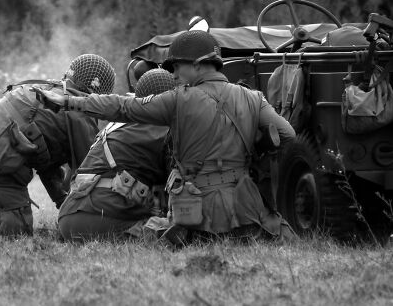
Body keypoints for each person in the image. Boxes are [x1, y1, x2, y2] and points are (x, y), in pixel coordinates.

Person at [34, 31, 296, 245]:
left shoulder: (178, 99)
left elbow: (123, 107)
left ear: (198, 64)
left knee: (180, 238)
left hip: (198, 212)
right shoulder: (254, 98)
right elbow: (286, 134)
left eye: (177, 66)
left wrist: (70, 102)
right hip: (247, 207)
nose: (173, 74)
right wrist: (254, 149)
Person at [0, 54, 115, 235]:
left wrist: (61, 201)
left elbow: (46, 163)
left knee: (7, 183)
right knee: (17, 234)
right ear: (100, 93)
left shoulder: (44, 88)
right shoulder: (81, 113)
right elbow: (88, 173)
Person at [58, 68, 177, 242]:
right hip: (104, 218)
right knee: (179, 230)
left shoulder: (116, 123)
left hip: (68, 217)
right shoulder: (161, 129)